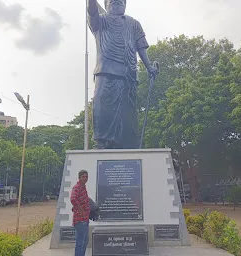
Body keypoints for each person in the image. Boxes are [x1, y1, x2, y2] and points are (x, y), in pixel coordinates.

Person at [87, 0, 158, 149]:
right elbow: (92, 11)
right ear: (106, 5)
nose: (118, 4)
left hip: (129, 74)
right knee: (102, 104)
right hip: (106, 70)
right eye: (113, 2)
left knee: (127, 111)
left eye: (121, 2)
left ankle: (127, 143)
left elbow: (141, 47)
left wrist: (149, 67)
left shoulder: (134, 24)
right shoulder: (101, 21)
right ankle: (102, 141)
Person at [70, 170, 90, 256]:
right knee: (80, 242)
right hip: (80, 220)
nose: (85, 178)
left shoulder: (83, 187)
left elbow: (80, 200)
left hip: (85, 218)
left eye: (86, 177)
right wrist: (80, 209)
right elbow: (73, 199)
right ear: (79, 178)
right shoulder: (77, 187)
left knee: (85, 241)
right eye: (83, 177)